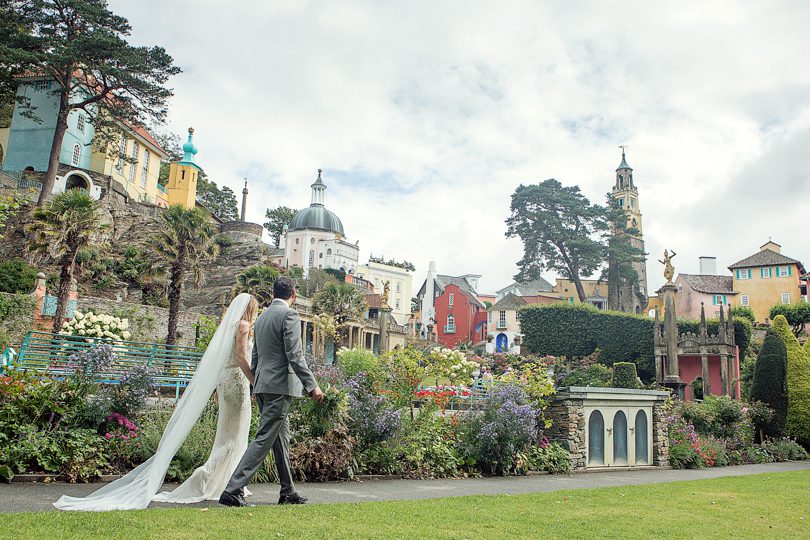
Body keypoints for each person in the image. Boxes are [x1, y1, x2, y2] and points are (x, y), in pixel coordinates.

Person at [53, 293, 258, 511]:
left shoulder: (230, 326)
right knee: (235, 437)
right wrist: (254, 380)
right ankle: (211, 481)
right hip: (238, 381)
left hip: (227, 382)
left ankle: (228, 483)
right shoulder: (244, 326)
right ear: (250, 309)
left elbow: (221, 360)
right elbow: (241, 358)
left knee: (229, 435)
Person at [219, 276, 323, 507]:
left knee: (280, 440)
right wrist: (312, 385)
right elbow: (294, 355)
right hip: (279, 386)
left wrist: (257, 383)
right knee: (265, 437)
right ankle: (233, 488)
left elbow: (255, 355)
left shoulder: (263, 316)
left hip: (264, 385)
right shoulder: (290, 315)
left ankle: (288, 491)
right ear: (293, 295)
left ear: (274, 292)